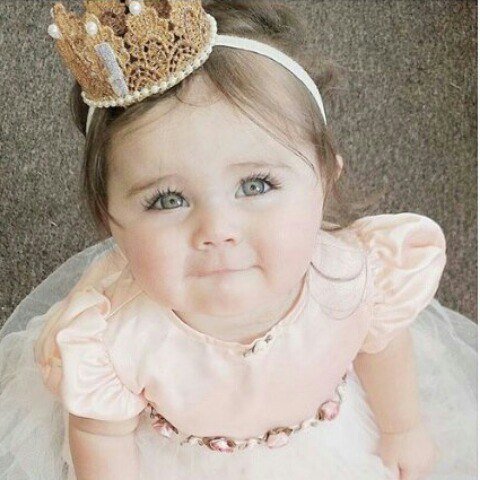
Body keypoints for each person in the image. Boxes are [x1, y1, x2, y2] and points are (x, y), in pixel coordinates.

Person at [0, 1, 476, 479]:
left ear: (325, 182)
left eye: (255, 185)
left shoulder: (356, 275)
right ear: (110, 219)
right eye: (167, 200)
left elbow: (380, 346)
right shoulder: (112, 338)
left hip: (330, 440)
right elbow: (102, 435)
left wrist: (401, 427)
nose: (217, 230)